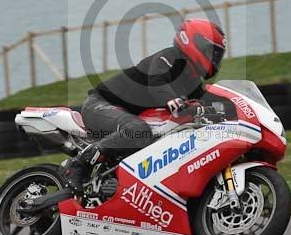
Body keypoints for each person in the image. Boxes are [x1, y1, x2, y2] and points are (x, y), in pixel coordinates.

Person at [61, 18, 227, 191]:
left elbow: (204, 98)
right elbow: (156, 81)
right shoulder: (168, 57)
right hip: (101, 103)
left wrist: (225, 110)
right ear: (193, 41)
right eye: (210, 51)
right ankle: (77, 164)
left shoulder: (191, 80)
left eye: (217, 54)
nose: (213, 58)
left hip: (125, 112)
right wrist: (171, 100)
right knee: (139, 129)